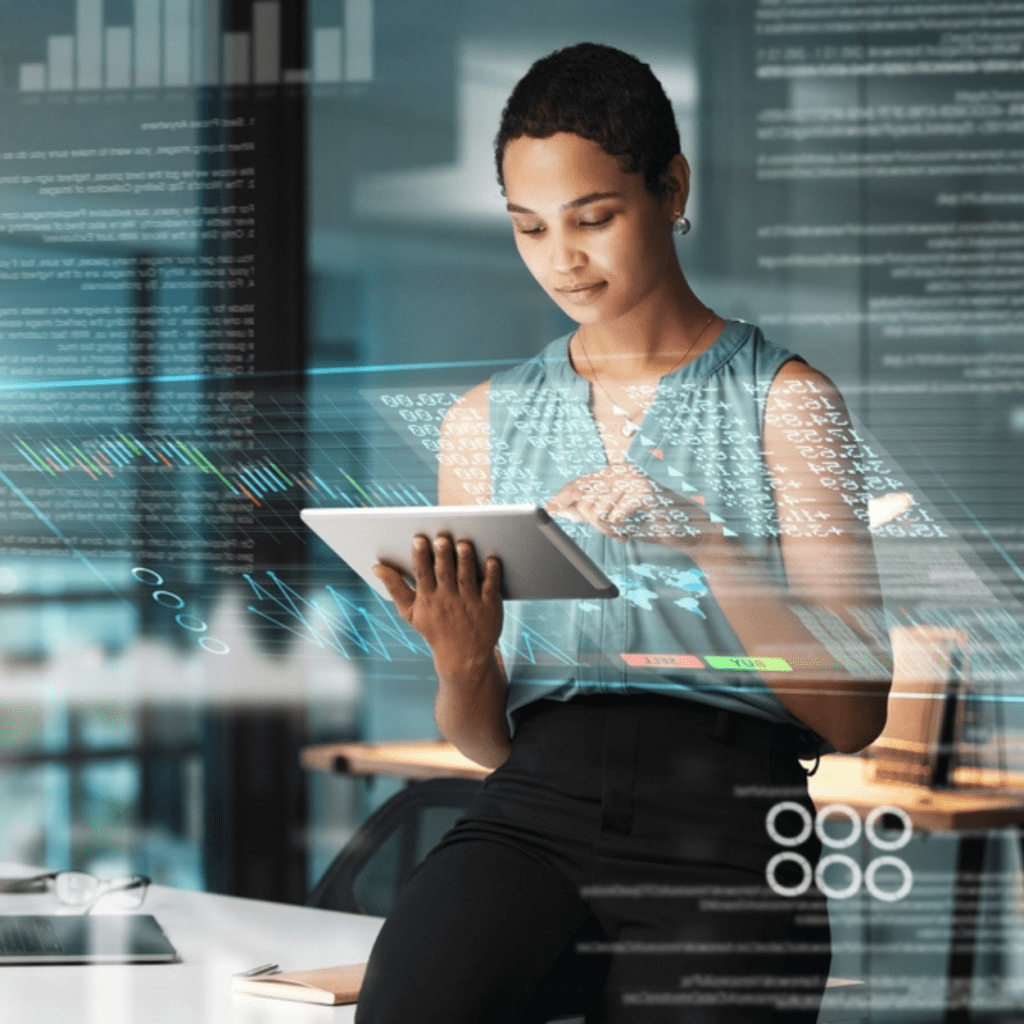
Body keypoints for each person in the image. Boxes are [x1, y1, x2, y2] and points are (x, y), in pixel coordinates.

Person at [357, 42, 891, 1024]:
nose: (562, 259)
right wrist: (463, 659)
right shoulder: (481, 420)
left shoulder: (789, 404)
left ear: (670, 187)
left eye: (594, 219)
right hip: (535, 803)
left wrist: (717, 549)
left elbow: (854, 714)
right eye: (530, 228)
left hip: (727, 811)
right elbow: (482, 744)